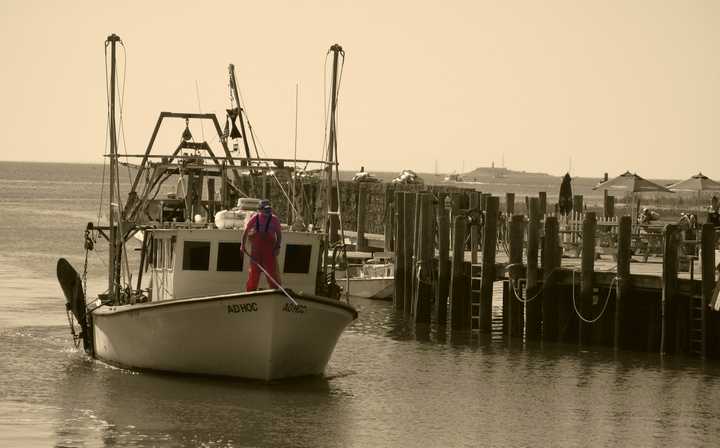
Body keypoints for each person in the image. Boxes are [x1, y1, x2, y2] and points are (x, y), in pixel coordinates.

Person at [241, 199, 282, 291]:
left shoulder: (274, 219)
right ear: (260, 209)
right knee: (254, 273)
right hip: (256, 251)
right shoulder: (254, 218)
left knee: (271, 272)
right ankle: (250, 292)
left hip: (269, 251)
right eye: (265, 209)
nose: (268, 211)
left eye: (269, 209)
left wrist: (277, 247)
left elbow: (279, 235)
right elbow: (245, 232)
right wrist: (242, 245)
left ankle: (274, 291)